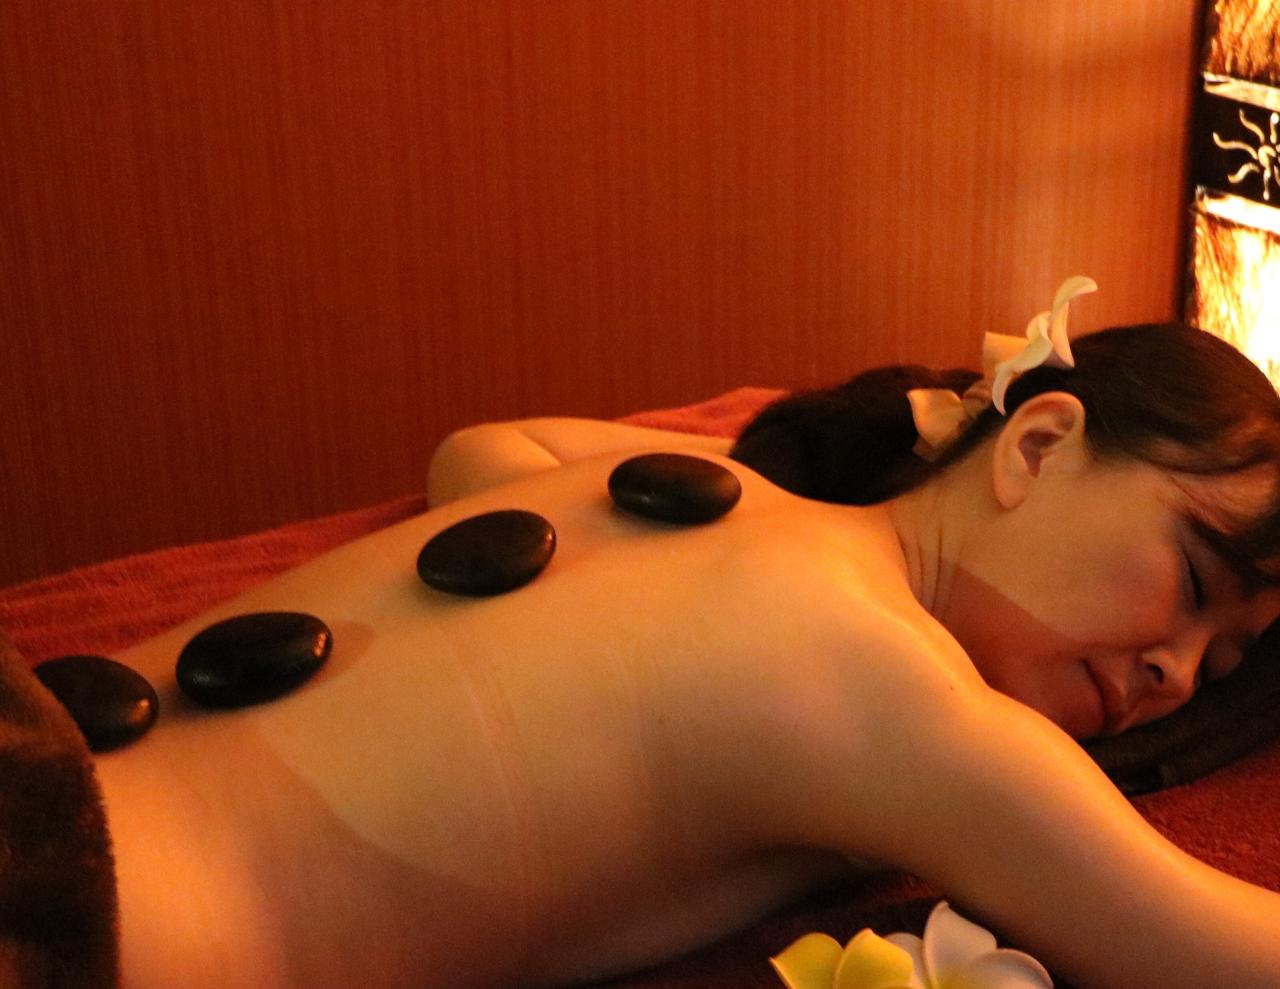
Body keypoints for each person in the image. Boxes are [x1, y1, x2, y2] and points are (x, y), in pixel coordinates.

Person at [11, 285, 1280, 988]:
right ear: (1039, 443)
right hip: (82, 920)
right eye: (1187, 578)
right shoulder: (896, 696)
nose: (1173, 672)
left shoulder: (713, 508)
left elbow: (482, 452)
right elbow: (1213, 947)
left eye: (1219, 663)